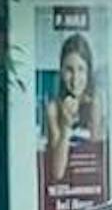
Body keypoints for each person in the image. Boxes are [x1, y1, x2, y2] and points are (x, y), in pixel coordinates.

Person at [43, 32, 107, 186]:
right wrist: (65, 126)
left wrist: (93, 115)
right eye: (69, 70)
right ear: (61, 71)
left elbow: (98, 156)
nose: (75, 78)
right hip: (63, 192)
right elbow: (57, 172)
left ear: (88, 71)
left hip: (91, 186)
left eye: (81, 69)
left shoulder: (95, 101)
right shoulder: (53, 108)